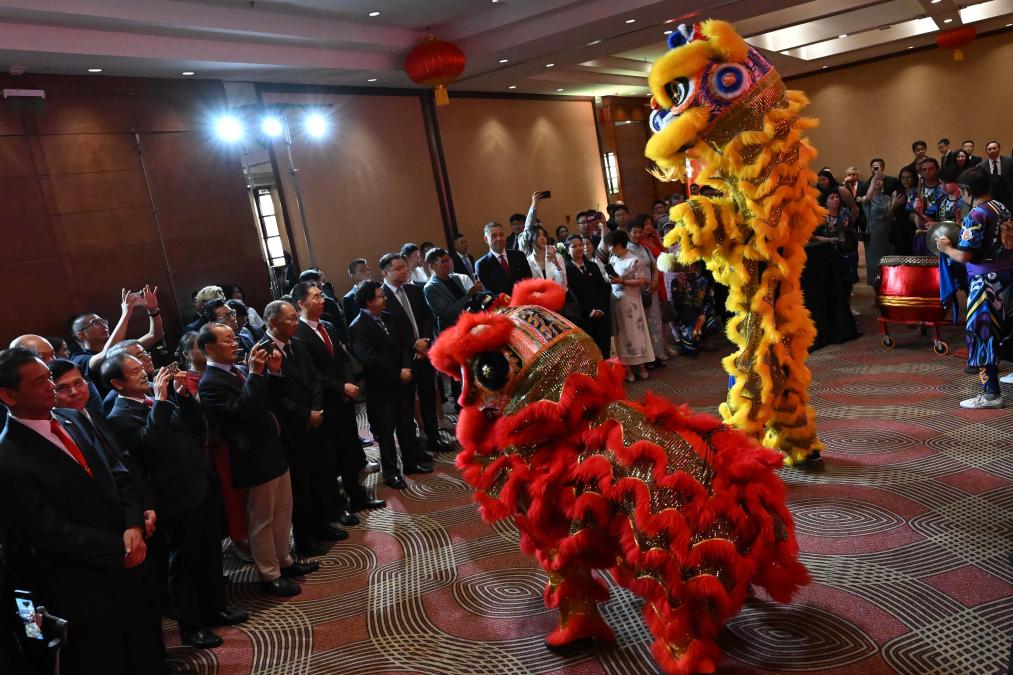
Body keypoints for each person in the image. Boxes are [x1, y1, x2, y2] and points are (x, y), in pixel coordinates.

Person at [0, 348, 160, 674]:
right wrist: (119, 548)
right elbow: (48, 529)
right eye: (39, 382)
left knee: (144, 636)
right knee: (107, 653)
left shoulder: (71, 418)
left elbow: (116, 470)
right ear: (8, 395)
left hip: (129, 550)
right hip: (83, 578)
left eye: (48, 377)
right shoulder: (9, 456)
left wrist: (133, 524)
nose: (51, 386)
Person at [103, 352, 247, 649]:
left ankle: (216, 608)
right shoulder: (118, 417)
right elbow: (148, 446)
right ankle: (191, 627)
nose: (144, 373)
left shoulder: (161, 400)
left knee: (210, 552)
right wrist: (160, 401)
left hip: (199, 483)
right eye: (135, 371)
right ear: (117, 383)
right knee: (184, 564)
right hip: (174, 498)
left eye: (142, 367)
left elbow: (196, 430)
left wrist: (182, 397)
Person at [197, 323, 316, 596]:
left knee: (283, 511)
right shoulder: (210, 383)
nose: (235, 343)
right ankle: (269, 574)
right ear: (209, 348)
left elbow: (268, 399)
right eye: (227, 340)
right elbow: (244, 411)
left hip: (272, 448)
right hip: (252, 457)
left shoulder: (238, 370)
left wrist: (272, 372)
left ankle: (284, 560)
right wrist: (254, 373)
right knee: (262, 520)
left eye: (233, 338)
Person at [262, 300, 348, 557]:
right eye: (290, 318)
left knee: (320, 475)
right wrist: (305, 415)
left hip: (315, 420)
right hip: (292, 429)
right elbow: (274, 397)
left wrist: (317, 409)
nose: (295, 322)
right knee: (301, 486)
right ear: (273, 322)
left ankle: (323, 525)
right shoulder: (262, 352)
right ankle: (305, 539)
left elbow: (314, 379)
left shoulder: (297, 344)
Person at [292, 282, 385, 515]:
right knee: (329, 456)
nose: (321, 300)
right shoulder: (298, 334)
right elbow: (312, 373)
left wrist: (348, 383)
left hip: (344, 399)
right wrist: (340, 386)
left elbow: (343, 359)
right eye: (315, 297)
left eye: (321, 295)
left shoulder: (329, 326)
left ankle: (357, 496)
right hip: (323, 402)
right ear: (301, 303)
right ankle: (337, 506)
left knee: (349, 449)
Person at [935, 167, 1013, 408]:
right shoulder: (1001, 208)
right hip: (1007, 276)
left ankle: (991, 394)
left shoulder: (976, 215)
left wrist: (946, 248)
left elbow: (964, 256)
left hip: (986, 282)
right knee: (1006, 329)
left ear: (966, 191)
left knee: (982, 333)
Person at [348, 281, 431, 489]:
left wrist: (407, 366)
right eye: (380, 296)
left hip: (402, 382)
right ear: (369, 301)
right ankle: (391, 473)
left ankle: (411, 462)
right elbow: (370, 359)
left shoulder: (388, 317)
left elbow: (405, 344)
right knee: (386, 433)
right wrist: (397, 373)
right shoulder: (357, 326)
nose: (384, 298)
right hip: (382, 388)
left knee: (406, 424)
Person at [380, 253, 446, 456]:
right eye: (398, 268)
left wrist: (424, 342)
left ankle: (434, 437)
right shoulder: (381, 297)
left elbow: (428, 317)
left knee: (428, 397)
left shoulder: (414, 289)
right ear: (385, 273)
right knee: (407, 405)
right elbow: (390, 332)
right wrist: (413, 346)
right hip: (404, 360)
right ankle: (414, 446)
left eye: (405, 267)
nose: (404, 271)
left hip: (423, 353)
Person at [70, 285, 162, 386]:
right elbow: (106, 355)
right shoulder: (78, 359)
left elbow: (155, 335)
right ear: (81, 334)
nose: (104, 325)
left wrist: (153, 310)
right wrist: (126, 314)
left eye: (103, 321)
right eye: (96, 322)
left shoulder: (119, 348)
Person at [605, 230, 655, 381]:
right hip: (616, 301)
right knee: (620, 333)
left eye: (611, 245)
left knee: (635, 332)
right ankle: (626, 368)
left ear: (619, 245)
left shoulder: (634, 260)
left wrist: (622, 281)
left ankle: (641, 366)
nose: (609, 249)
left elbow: (641, 281)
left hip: (631, 301)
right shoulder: (613, 259)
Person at [628, 219, 670, 363]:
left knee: (655, 321)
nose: (637, 235)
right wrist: (647, 282)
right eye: (634, 232)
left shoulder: (644, 248)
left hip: (651, 289)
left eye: (640, 232)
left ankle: (658, 354)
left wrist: (655, 282)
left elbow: (655, 265)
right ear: (629, 233)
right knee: (642, 324)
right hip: (636, 291)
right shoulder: (626, 249)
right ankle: (646, 358)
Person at [563, 235, 612, 358]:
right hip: (583, 318)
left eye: (581, 245)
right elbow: (571, 296)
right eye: (574, 246)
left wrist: (600, 308)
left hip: (601, 314)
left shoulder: (593, 266)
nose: (579, 248)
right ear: (567, 250)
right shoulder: (566, 270)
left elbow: (603, 289)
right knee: (589, 353)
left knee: (604, 350)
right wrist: (589, 310)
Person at [424, 248, 484, 335]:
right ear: (432, 266)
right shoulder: (430, 288)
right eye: (443, 261)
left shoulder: (455, 278)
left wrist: (476, 291)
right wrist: (469, 294)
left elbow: (467, 302)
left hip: (469, 323)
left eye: (448, 259)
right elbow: (445, 314)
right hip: (453, 330)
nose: (447, 263)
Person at [476, 221, 533, 295]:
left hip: (524, 299)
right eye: (494, 236)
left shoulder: (519, 255)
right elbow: (489, 292)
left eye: (501, 235)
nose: (499, 238)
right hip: (500, 301)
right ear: (486, 239)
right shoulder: (482, 264)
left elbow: (529, 280)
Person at [860, 173, 897, 289]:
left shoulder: (888, 198)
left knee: (887, 259)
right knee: (874, 260)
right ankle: (876, 285)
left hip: (886, 231)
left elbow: (890, 217)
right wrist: (873, 179)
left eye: (880, 180)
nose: (877, 181)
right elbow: (867, 199)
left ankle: (888, 285)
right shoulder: (867, 199)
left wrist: (894, 202)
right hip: (873, 231)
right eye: (875, 180)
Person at [913, 157, 946, 255]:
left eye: (931, 169)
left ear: (937, 169)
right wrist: (918, 214)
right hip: (921, 233)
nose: (927, 172)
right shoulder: (917, 190)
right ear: (920, 172)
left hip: (941, 233)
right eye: (924, 170)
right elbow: (910, 213)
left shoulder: (944, 188)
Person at [342, 258, 372, 323]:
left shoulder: (378, 290)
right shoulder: (349, 298)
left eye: (368, 269)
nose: (367, 272)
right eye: (362, 270)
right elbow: (351, 324)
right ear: (353, 276)